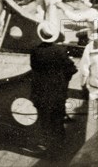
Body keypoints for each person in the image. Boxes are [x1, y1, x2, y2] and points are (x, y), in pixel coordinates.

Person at [30, 21, 77, 156]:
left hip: (41, 91)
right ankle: (60, 147)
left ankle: (48, 147)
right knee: (57, 119)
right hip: (57, 91)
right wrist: (64, 80)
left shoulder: (35, 51)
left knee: (44, 120)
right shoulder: (60, 51)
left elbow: (34, 68)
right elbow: (72, 69)